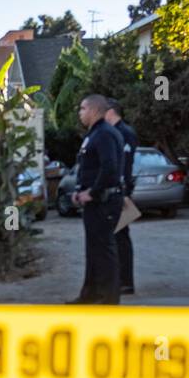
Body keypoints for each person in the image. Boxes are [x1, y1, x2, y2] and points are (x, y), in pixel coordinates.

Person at [69, 94, 125, 305]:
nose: (80, 113)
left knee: (104, 250)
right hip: (94, 201)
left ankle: (108, 299)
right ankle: (90, 294)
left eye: (82, 109)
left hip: (104, 201)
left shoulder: (104, 134)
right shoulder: (94, 134)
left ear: (94, 110)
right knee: (93, 249)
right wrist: (79, 190)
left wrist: (92, 192)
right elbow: (88, 167)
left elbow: (109, 168)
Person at [105, 101, 139, 295]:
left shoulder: (123, 132)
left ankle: (125, 281)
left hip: (121, 190)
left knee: (120, 236)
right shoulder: (119, 131)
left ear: (110, 112)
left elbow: (124, 164)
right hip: (120, 189)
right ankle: (121, 279)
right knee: (117, 235)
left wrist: (123, 191)